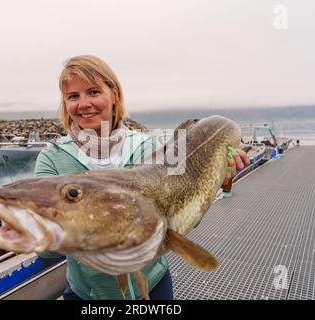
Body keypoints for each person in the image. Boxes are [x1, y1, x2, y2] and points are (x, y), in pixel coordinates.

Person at [34, 55, 249, 300]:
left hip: (154, 286)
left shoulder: (148, 147)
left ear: (113, 94)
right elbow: (46, 252)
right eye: (73, 96)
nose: (83, 103)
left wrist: (217, 178)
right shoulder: (51, 159)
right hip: (88, 295)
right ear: (65, 104)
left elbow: (179, 218)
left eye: (93, 92)